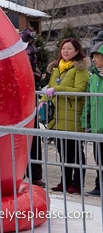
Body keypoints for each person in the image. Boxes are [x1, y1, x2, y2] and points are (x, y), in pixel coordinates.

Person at [40, 38, 89, 194]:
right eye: (63, 48)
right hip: (58, 117)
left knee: (75, 152)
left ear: (76, 51)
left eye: (69, 48)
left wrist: (59, 89)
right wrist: (42, 101)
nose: (65, 51)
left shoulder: (80, 68)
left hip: (73, 115)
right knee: (62, 152)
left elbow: (80, 90)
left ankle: (77, 183)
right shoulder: (56, 69)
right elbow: (50, 88)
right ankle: (65, 181)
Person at [21, 28, 46, 188]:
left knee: (32, 137)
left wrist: (32, 76)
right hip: (20, 97)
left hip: (28, 98)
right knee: (24, 138)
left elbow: (34, 72)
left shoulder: (31, 52)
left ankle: (35, 174)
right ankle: (25, 173)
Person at [82, 41, 103, 196]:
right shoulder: (94, 77)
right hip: (96, 127)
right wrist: (86, 121)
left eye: (97, 55)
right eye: (93, 56)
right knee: (98, 159)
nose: (94, 59)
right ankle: (99, 185)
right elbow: (88, 102)